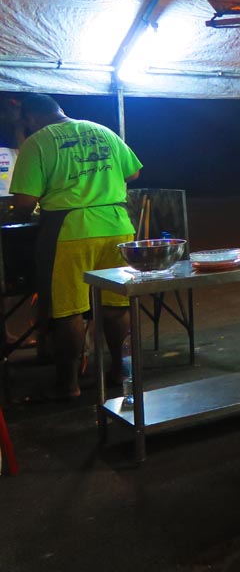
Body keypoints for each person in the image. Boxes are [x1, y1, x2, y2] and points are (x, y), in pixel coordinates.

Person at [9, 94, 143, 400]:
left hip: (70, 230)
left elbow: (25, 202)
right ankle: (121, 371)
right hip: (117, 226)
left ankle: (67, 384)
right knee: (115, 304)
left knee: (69, 310)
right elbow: (133, 172)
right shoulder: (102, 131)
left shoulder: (38, 142)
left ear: (30, 118)